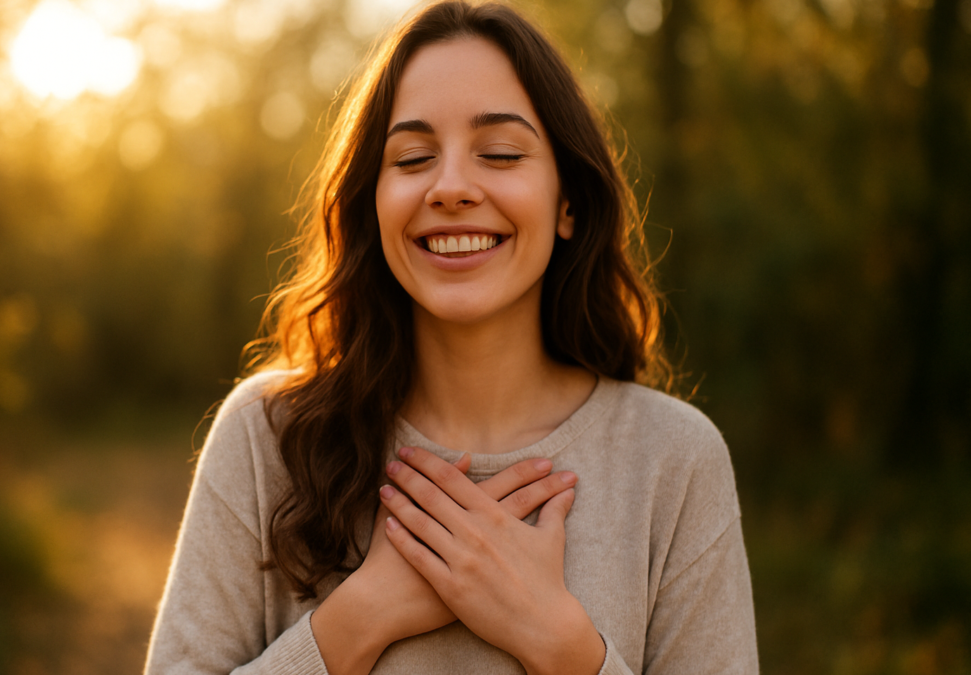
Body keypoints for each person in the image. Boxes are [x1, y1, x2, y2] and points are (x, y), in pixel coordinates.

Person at [145, 1, 758, 674]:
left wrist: (561, 646)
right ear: (372, 202)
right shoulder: (267, 437)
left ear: (568, 203)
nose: (452, 187)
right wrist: (360, 616)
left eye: (500, 153)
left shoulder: (674, 460)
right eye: (413, 158)